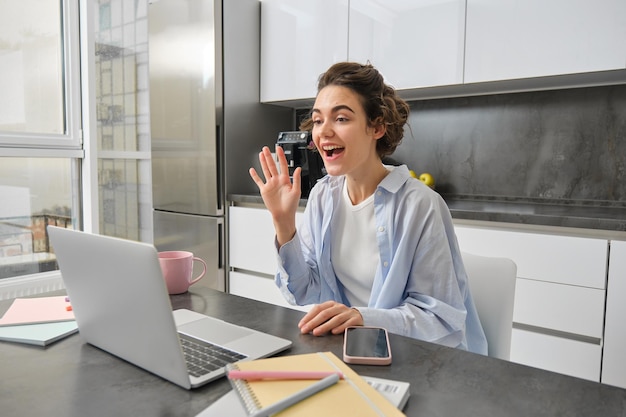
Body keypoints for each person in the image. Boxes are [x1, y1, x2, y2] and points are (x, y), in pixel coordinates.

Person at [249, 62, 487, 354]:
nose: (324, 132)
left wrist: (363, 318)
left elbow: (440, 321)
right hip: (353, 351)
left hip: (421, 360)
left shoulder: (421, 205)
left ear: (376, 127)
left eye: (341, 119)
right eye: (318, 120)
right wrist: (283, 223)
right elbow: (303, 291)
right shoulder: (324, 196)